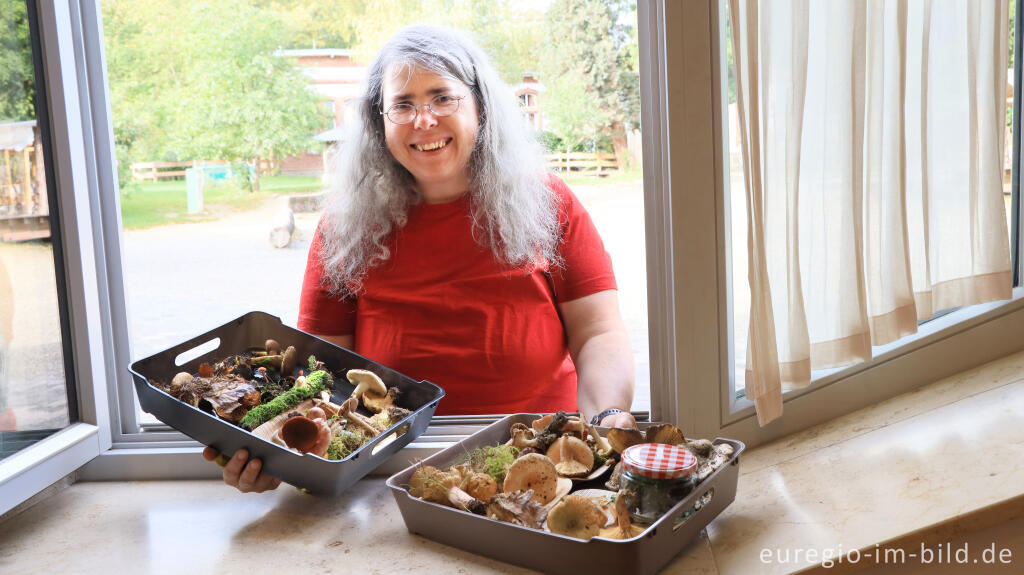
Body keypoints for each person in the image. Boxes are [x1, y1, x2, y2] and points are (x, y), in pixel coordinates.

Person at [204, 25, 635, 492]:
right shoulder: (344, 224)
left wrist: (607, 422)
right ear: (379, 122)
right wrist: (285, 452)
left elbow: (599, 334)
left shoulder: (550, 202)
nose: (423, 120)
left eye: (442, 98)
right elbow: (318, 368)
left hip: (538, 460)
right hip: (389, 468)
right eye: (402, 105)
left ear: (480, 107)